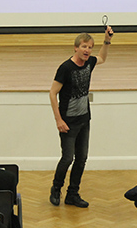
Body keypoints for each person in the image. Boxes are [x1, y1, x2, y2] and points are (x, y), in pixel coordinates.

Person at [48, 27, 113, 208]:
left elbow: (103, 58)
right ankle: (56, 189)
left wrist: (106, 40)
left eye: (90, 47)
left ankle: (72, 194)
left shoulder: (89, 63)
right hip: (68, 122)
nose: (87, 50)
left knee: (82, 158)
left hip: (84, 119)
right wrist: (58, 120)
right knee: (68, 158)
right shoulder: (65, 68)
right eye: (84, 46)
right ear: (75, 48)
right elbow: (53, 93)